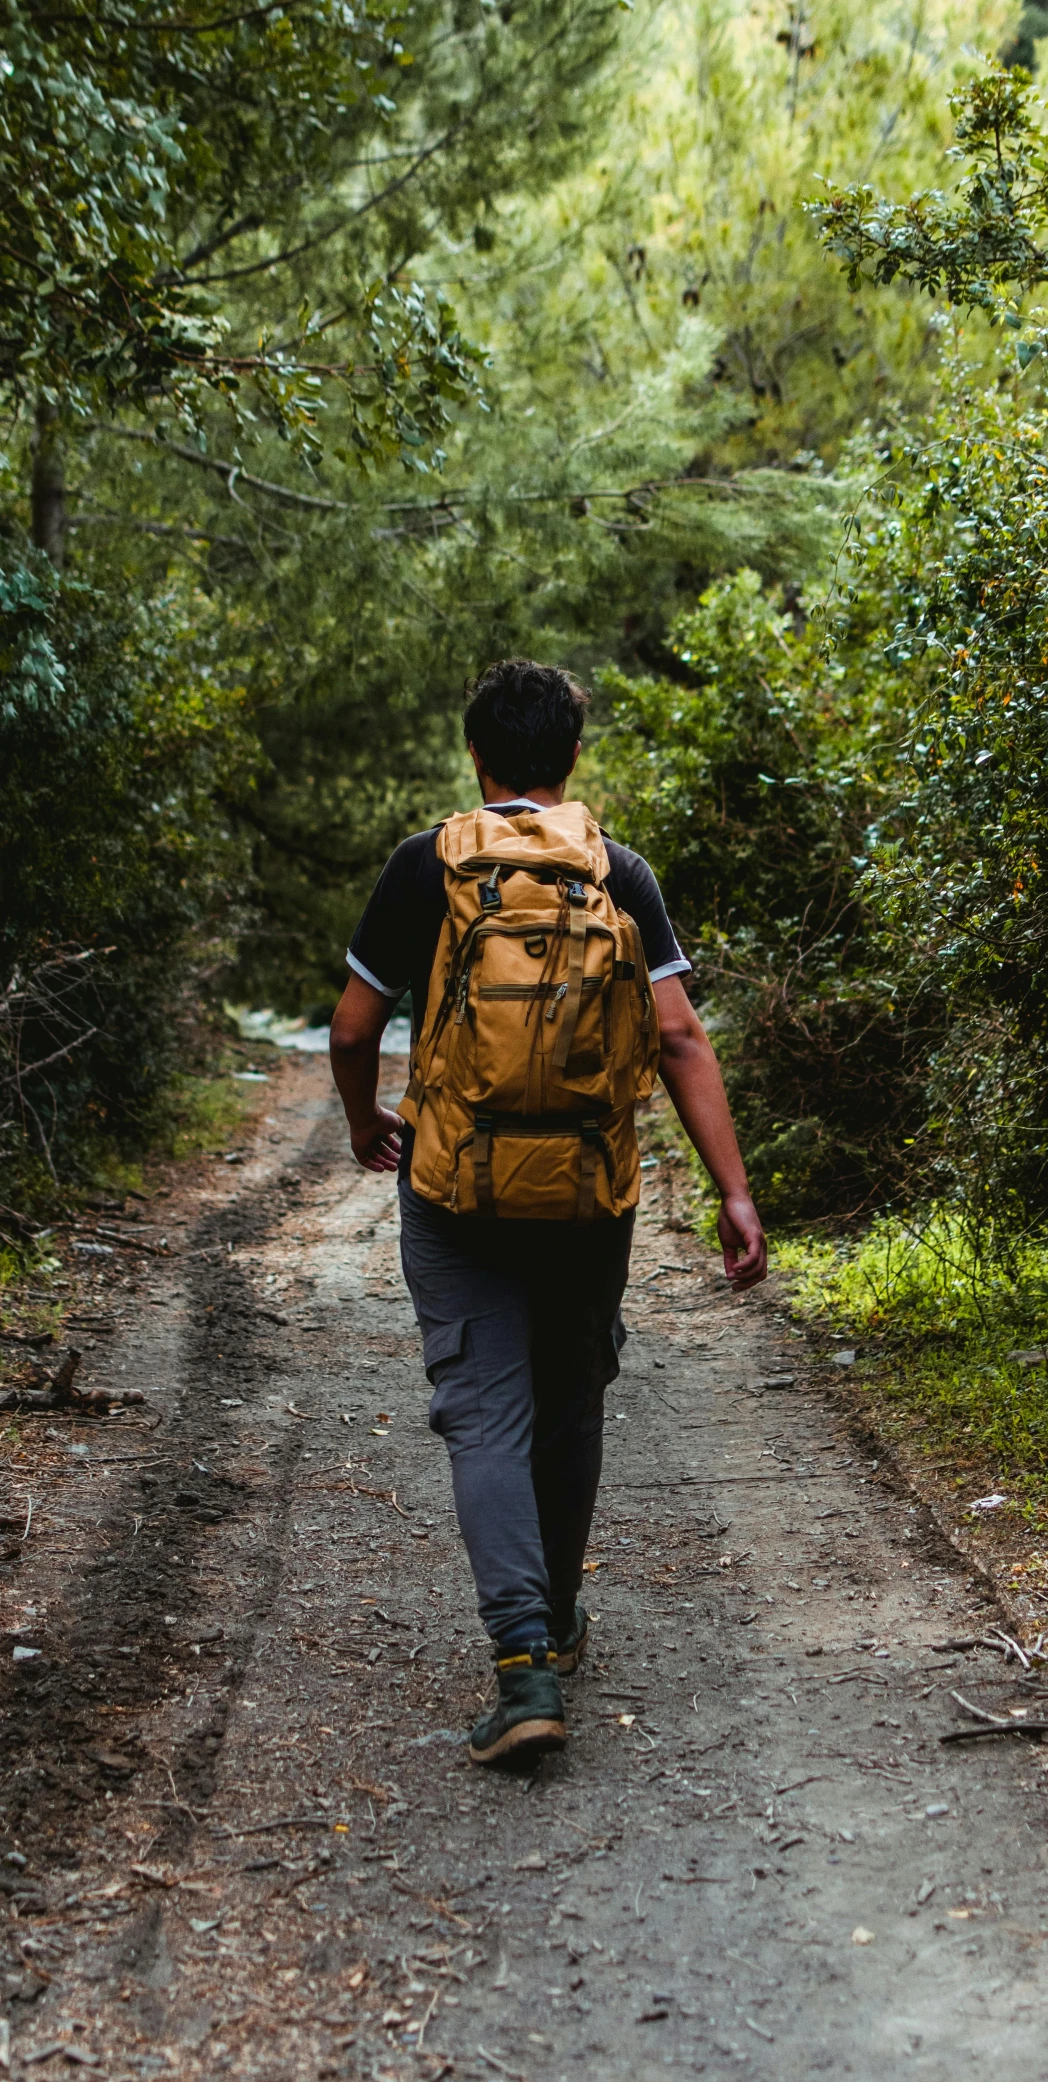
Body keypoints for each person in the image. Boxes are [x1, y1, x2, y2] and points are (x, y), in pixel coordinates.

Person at [328, 658, 766, 1762]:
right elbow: (675, 1037)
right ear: (571, 758)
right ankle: (559, 1619)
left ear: (474, 759)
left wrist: (364, 1119)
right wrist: (733, 1191)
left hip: (452, 1185)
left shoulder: (424, 865)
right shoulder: (618, 872)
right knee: (570, 1397)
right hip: (585, 1187)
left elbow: (349, 1027)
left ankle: (522, 1662)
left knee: (482, 1405)